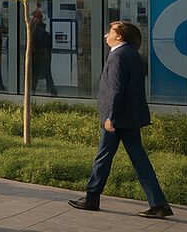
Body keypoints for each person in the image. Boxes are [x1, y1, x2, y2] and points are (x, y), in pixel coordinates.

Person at [69, 21, 171, 218]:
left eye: (110, 32)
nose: (106, 35)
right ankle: (158, 203)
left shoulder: (118, 55)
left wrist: (110, 116)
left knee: (104, 156)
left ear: (119, 36)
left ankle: (92, 197)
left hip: (117, 118)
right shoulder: (132, 54)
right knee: (137, 159)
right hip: (128, 117)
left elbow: (115, 89)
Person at [30, 13, 57, 96]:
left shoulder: (37, 30)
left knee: (37, 73)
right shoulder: (40, 29)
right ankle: (50, 89)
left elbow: (36, 42)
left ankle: (33, 89)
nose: (33, 20)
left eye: (34, 18)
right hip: (43, 54)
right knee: (46, 73)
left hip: (39, 55)